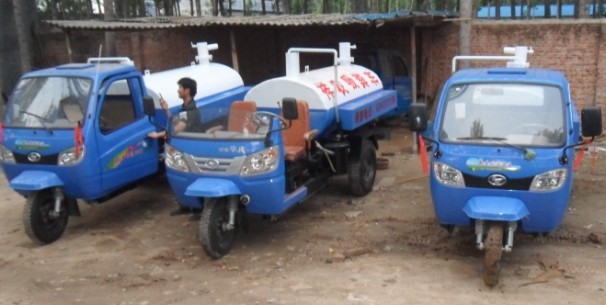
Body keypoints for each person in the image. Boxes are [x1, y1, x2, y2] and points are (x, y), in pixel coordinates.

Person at [148, 77, 202, 218]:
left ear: (187, 90)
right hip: (183, 146)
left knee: (191, 178)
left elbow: (177, 129)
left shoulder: (192, 109)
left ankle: (197, 209)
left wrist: (157, 135)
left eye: (180, 88)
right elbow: (177, 121)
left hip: (191, 147)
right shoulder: (185, 107)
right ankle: (185, 205)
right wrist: (166, 110)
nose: (178, 90)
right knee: (181, 176)